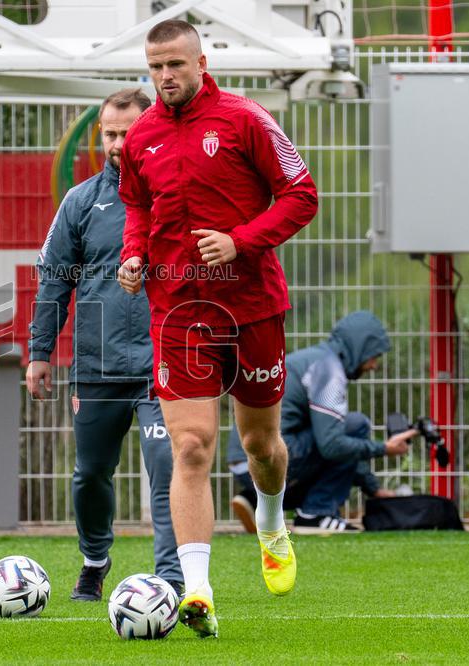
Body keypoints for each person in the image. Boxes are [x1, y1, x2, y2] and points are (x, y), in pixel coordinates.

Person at [117, 20, 318, 637]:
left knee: (261, 446)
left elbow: (301, 194)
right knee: (191, 446)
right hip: (177, 312)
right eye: (155, 67)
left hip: (252, 308)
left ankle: (271, 519)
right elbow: (138, 205)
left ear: (202, 61)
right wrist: (134, 253)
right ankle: (197, 589)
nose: (165, 77)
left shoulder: (245, 119)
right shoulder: (142, 136)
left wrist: (240, 241)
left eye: (175, 64)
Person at [27, 88, 183, 601]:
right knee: (91, 474)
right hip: (97, 365)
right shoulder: (80, 202)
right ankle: (94, 561)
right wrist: (39, 354)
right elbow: (53, 281)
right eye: (111, 134)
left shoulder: (177, 195)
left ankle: (172, 579)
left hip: (165, 361)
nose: (119, 144)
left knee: (168, 471)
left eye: (128, 132)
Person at [227, 311, 417, 534]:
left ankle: (254, 499)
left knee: (342, 433)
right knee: (356, 426)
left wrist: (374, 489)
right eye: (373, 355)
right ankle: (316, 514)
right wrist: (384, 449)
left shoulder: (316, 359)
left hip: (246, 462)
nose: (374, 365)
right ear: (360, 347)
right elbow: (332, 445)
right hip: (264, 457)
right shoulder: (329, 371)